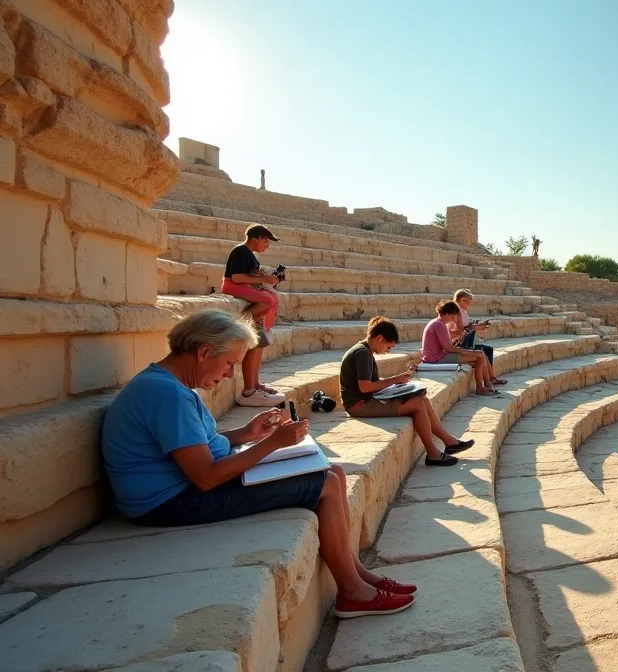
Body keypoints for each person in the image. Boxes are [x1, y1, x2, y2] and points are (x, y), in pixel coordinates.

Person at [100, 309, 415, 619]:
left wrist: (247, 433)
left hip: (178, 488)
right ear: (204, 352)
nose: (229, 375)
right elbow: (205, 476)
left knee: (334, 471)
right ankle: (352, 593)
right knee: (327, 483)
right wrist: (273, 443)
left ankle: (356, 572)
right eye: (229, 364)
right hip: (169, 502)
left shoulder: (168, 385)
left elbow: (195, 445)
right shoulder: (168, 395)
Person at [342, 316, 474, 467]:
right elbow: (365, 387)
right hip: (359, 405)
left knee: (421, 398)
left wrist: (399, 382)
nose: (388, 351)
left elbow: (370, 382)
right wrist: (395, 380)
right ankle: (432, 453)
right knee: (417, 404)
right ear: (379, 338)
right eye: (388, 347)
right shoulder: (362, 353)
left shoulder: (364, 350)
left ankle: (449, 441)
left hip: (367, 399)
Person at [222, 224, 286, 407]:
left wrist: (264, 277)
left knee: (259, 343)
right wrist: (264, 279)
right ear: (255, 238)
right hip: (235, 288)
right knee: (267, 301)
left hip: (249, 299)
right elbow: (237, 278)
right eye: (266, 241)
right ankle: (240, 324)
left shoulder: (250, 255)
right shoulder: (241, 251)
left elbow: (249, 277)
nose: (267, 245)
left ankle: (255, 386)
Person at [424, 301, 502, 396]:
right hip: (436, 358)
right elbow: (448, 348)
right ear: (447, 314)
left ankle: (488, 384)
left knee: (482, 355)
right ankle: (481, 387)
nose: (454, 319)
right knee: (480, 356)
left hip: (438, 355)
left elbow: (447, 344)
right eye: (453, 316)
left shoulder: (438, 323)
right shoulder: (439, 325)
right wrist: (464, 352)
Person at [452, 289, 505, 384]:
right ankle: (488, 381)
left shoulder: (462, 312)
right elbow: (461, 330)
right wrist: (478, 326)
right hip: (461, 346)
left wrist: (478, 326)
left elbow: (467, 327)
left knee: (487, 350)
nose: (469, 305)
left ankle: (491, 378)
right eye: (468, 302)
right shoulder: (456, 312)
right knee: (483, 352)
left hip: (465, 343)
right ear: (462, 300)